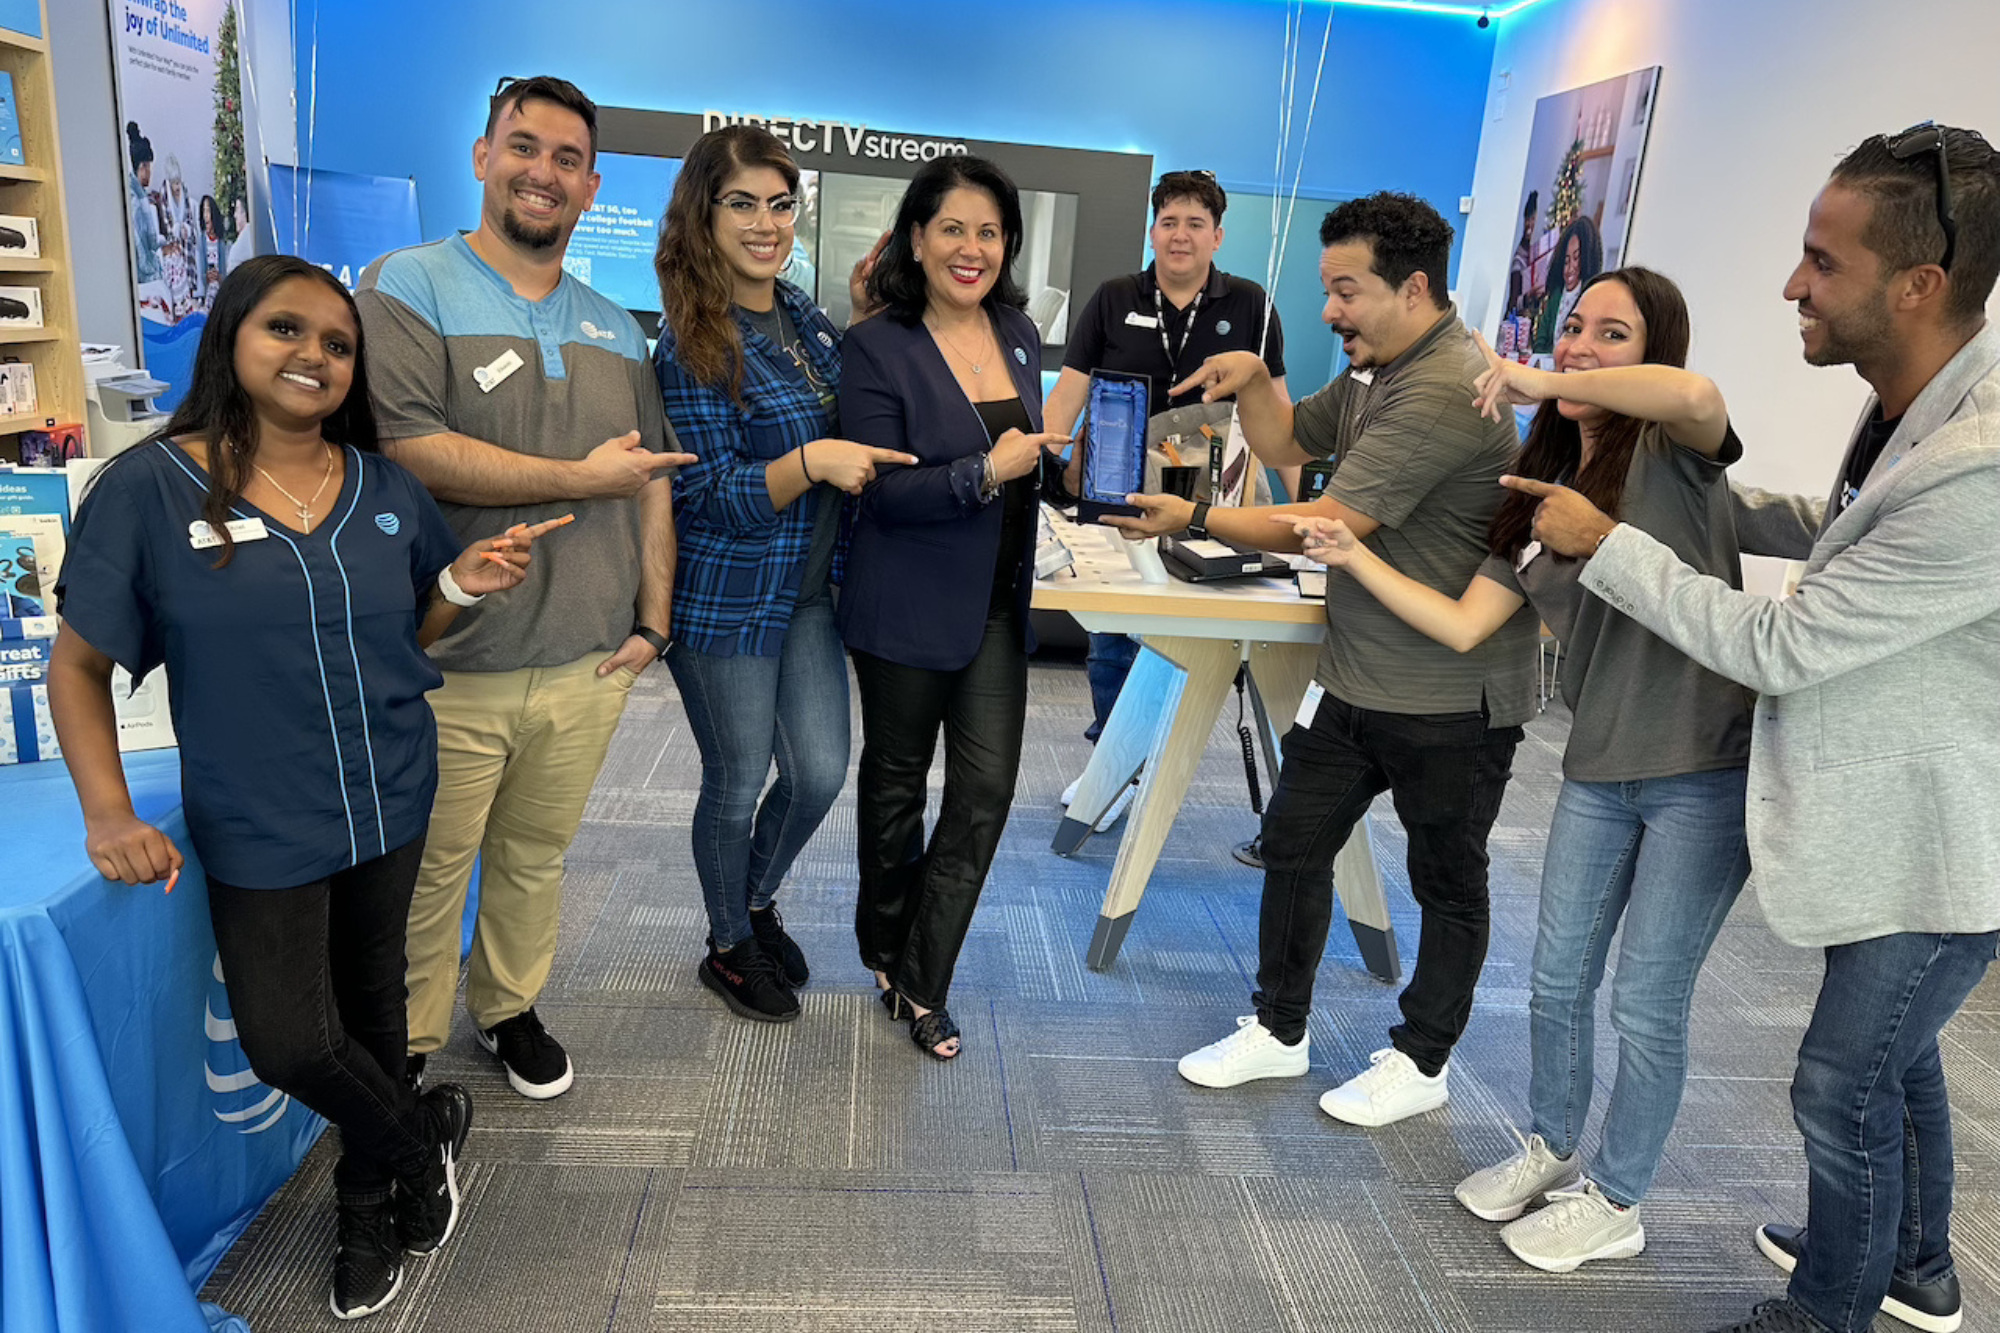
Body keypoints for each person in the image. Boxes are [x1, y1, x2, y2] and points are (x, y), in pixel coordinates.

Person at [1506, 125, 2000, 1333]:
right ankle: (1914, 1263)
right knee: (1893, 1059)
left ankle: (1825, 1307)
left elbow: (1778, 643)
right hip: (1867, 810)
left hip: (1934, 834)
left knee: (1836, 1082)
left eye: (1817, 263)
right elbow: (1840, 529)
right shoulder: (1906, 407)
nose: (1790, 284)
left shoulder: (1975, 462)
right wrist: (1701, 513)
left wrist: (1605, 540)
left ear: (1917, 286)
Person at [45, 256, 559, 1320]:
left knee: (375, 1012)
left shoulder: (381, 487)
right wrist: (108, 812)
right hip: (260, 811)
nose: (313, 355)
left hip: (389, 787)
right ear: (231, 335)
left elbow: (406, 631)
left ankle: (364, 1197)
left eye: (336, 342)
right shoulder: (149, 488)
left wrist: (460, 585)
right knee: (289, 1039)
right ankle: (422, 1136)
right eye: (286, 329)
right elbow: (79, 665)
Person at [1291, 267, 1755, 1273]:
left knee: (1643, 1000)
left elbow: (1696, 399)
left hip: (1699, 771)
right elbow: (1463, 623)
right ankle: (1548, 1145)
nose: (1581, 349)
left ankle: (1617, 1198)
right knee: (1552, 980)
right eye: (1570, 328)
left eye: (1610, 335)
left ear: (1652, 349)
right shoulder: (1538, 493)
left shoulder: (1676, 459)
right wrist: (1353, 555)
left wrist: (1530, 374)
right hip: (1597, 764)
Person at [1108, 192, 1536, 1126]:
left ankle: (1423, 1062)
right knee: (1294, 844)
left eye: (1347, 291)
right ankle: (1279, 1029)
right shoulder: (1382, 366)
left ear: (1414, 288)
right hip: (1357, 677)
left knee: (1446, 883)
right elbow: (1285, 441)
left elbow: (1325, 524)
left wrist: (1195, 515)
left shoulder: (1442, 390)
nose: (1331, 311)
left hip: (1450, 698)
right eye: (1326, 289)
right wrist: (1257, 375)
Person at [356, 75, 694, 1100]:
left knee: (535, 857)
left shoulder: (614, 328)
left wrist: (653, 621)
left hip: (586, 657)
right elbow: (410, 450)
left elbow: (647, 484)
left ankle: (505, 1008)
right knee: (429, 870)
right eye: (522, 146)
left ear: (590, 187)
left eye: (564, 159)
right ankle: (408, 1038)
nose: (540, 172)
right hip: (451, 654)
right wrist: (577, 479)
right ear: (481, 156)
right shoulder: (406, 286)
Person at [652, 124, 913, 1023]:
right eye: (742, 204)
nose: (766, 224)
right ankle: (729, 945)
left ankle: (752, 897)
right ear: (703, 212)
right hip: (726, 599)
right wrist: (812, 462)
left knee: (818, 774)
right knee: (736, 778)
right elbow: (707, 496)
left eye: (778, 204)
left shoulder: (801, 313)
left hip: (808, 594)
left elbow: (856, 396)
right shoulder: (690, 340)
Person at [838, 156, 1068, 1061]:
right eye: (953, 229)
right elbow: (881, 493)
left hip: (998, 608)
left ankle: (926, 976)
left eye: (990, 231)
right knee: (896, 790)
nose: (972, 248)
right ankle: (888, 956)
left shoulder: (1017, 328)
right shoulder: (878, 344)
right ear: (916, 237)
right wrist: (987, 472)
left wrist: (1048, 467)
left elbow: (1020, 453)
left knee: (986, 791)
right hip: (904, 602)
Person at [1041, 168, 1290, 829]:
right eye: (1169, 221)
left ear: (1217, 235)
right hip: (1124, 479)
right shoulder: (1114, 295)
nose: (1180, 235)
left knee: (1201, 627)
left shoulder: (1251, 306)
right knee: (1116, 625)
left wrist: (1293, 502)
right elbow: (1069, 389)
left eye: (1195, 223)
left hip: (1220, 485)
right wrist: (1045, 459)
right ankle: (1111, 761)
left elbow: (1279, 410)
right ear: (1153, 230)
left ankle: (1161, 756)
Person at [1535, 214, 1603, 355]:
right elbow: (1540, 341)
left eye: (1576, 259)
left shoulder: (1591, 300)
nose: (1569, 268)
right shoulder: (1556, 296)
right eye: (1566, 261)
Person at [124, 121, 165, 286]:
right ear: (143, 167)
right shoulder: (135, 201)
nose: (150, 173)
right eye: (149, 167)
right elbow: (142, 250)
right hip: (144, 276)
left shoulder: (139, 194)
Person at [1505, 189, 1539, 321]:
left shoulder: (1532, 252)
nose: (1530, 224)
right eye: (1528, 219)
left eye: (1533, 219)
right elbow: (1513, 302)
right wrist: (1528, 296)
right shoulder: (1519, 259)